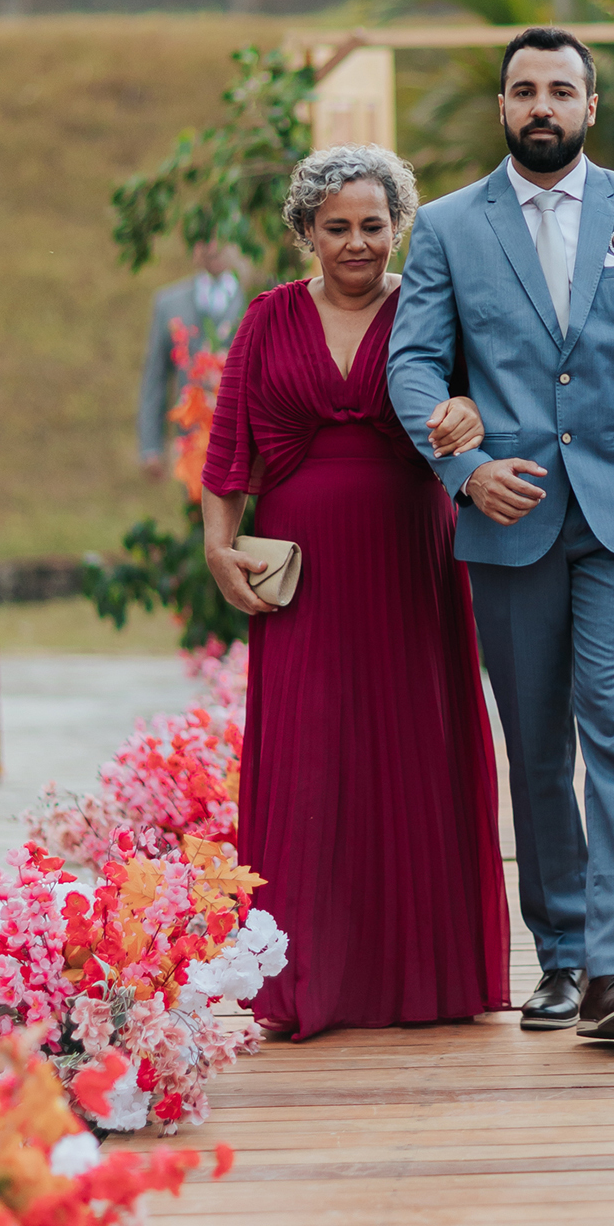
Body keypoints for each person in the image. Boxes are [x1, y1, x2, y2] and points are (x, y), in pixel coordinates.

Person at [388, 26, 614, 1041]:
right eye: (524, 89)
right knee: (536, 748)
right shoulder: (449, 229)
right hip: (510, 521)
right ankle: (562, 954)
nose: (543, 105)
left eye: (562, 90)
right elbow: (413, 366)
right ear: (504, 109)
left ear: (591, 107)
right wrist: (462, 467)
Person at [200, 144, 510, 1038]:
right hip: (303, 570)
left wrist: (470, 415)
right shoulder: (265, 320)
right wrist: (221, 550)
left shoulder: (429, 309)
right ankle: (307, 981)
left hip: (415, 556)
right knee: (309, 757)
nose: (357, 243)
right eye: (336, 227)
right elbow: (227, 451)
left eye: (373, 225)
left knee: (417, 746)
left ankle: (428, 979)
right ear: (305, 232)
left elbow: (485, 400)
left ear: (399, 227)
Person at [138, 238, 248, 479]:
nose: (214, 248)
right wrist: (151, 447)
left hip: (246, 440)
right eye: (205, 240)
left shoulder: (257, 296)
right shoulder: (169, 303)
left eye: (223, 239)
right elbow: (155, 377)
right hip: (191, 442)